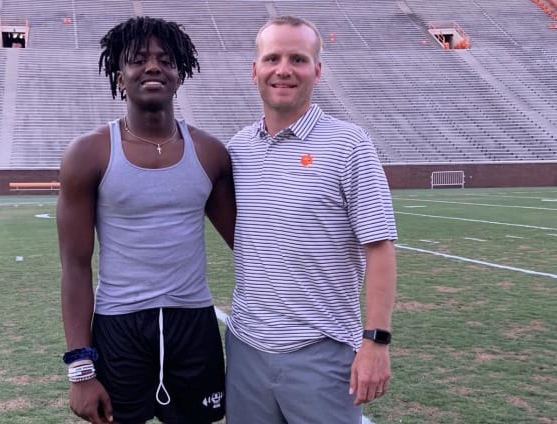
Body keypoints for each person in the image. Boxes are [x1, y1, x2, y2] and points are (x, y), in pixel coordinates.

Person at [56, 16, 235, 424]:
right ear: (120, 77)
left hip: (193, 323)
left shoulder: (209, 153)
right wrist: (81, 369)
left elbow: (248, 245)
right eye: (138, 60)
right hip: (119, 326)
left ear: (180, 73)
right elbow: (75, 267)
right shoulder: (88, 154)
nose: (153, 66)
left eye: (166, 60)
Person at [225, 15, 398, 424]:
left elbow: (380, 247)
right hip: (246, 347)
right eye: (272, 58)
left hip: (321, 351)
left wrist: (376, 342)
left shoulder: (349, 144)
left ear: (316, 70)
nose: (283, 69)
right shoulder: (238, 149)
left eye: (298, 59)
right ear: (255, 71)